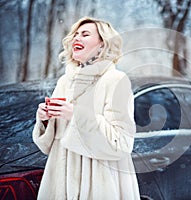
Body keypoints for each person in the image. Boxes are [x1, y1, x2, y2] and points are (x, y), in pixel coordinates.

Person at [32, 16, 140, 199]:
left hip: (99, 179)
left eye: (85, 34)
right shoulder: (65, 81)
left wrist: (75, 116)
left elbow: (121, 142)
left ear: (102, 44)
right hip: (61, 179)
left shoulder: (116, 80)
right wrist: (45, 120)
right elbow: (50, 146)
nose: (76, 38)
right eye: (75, 34)